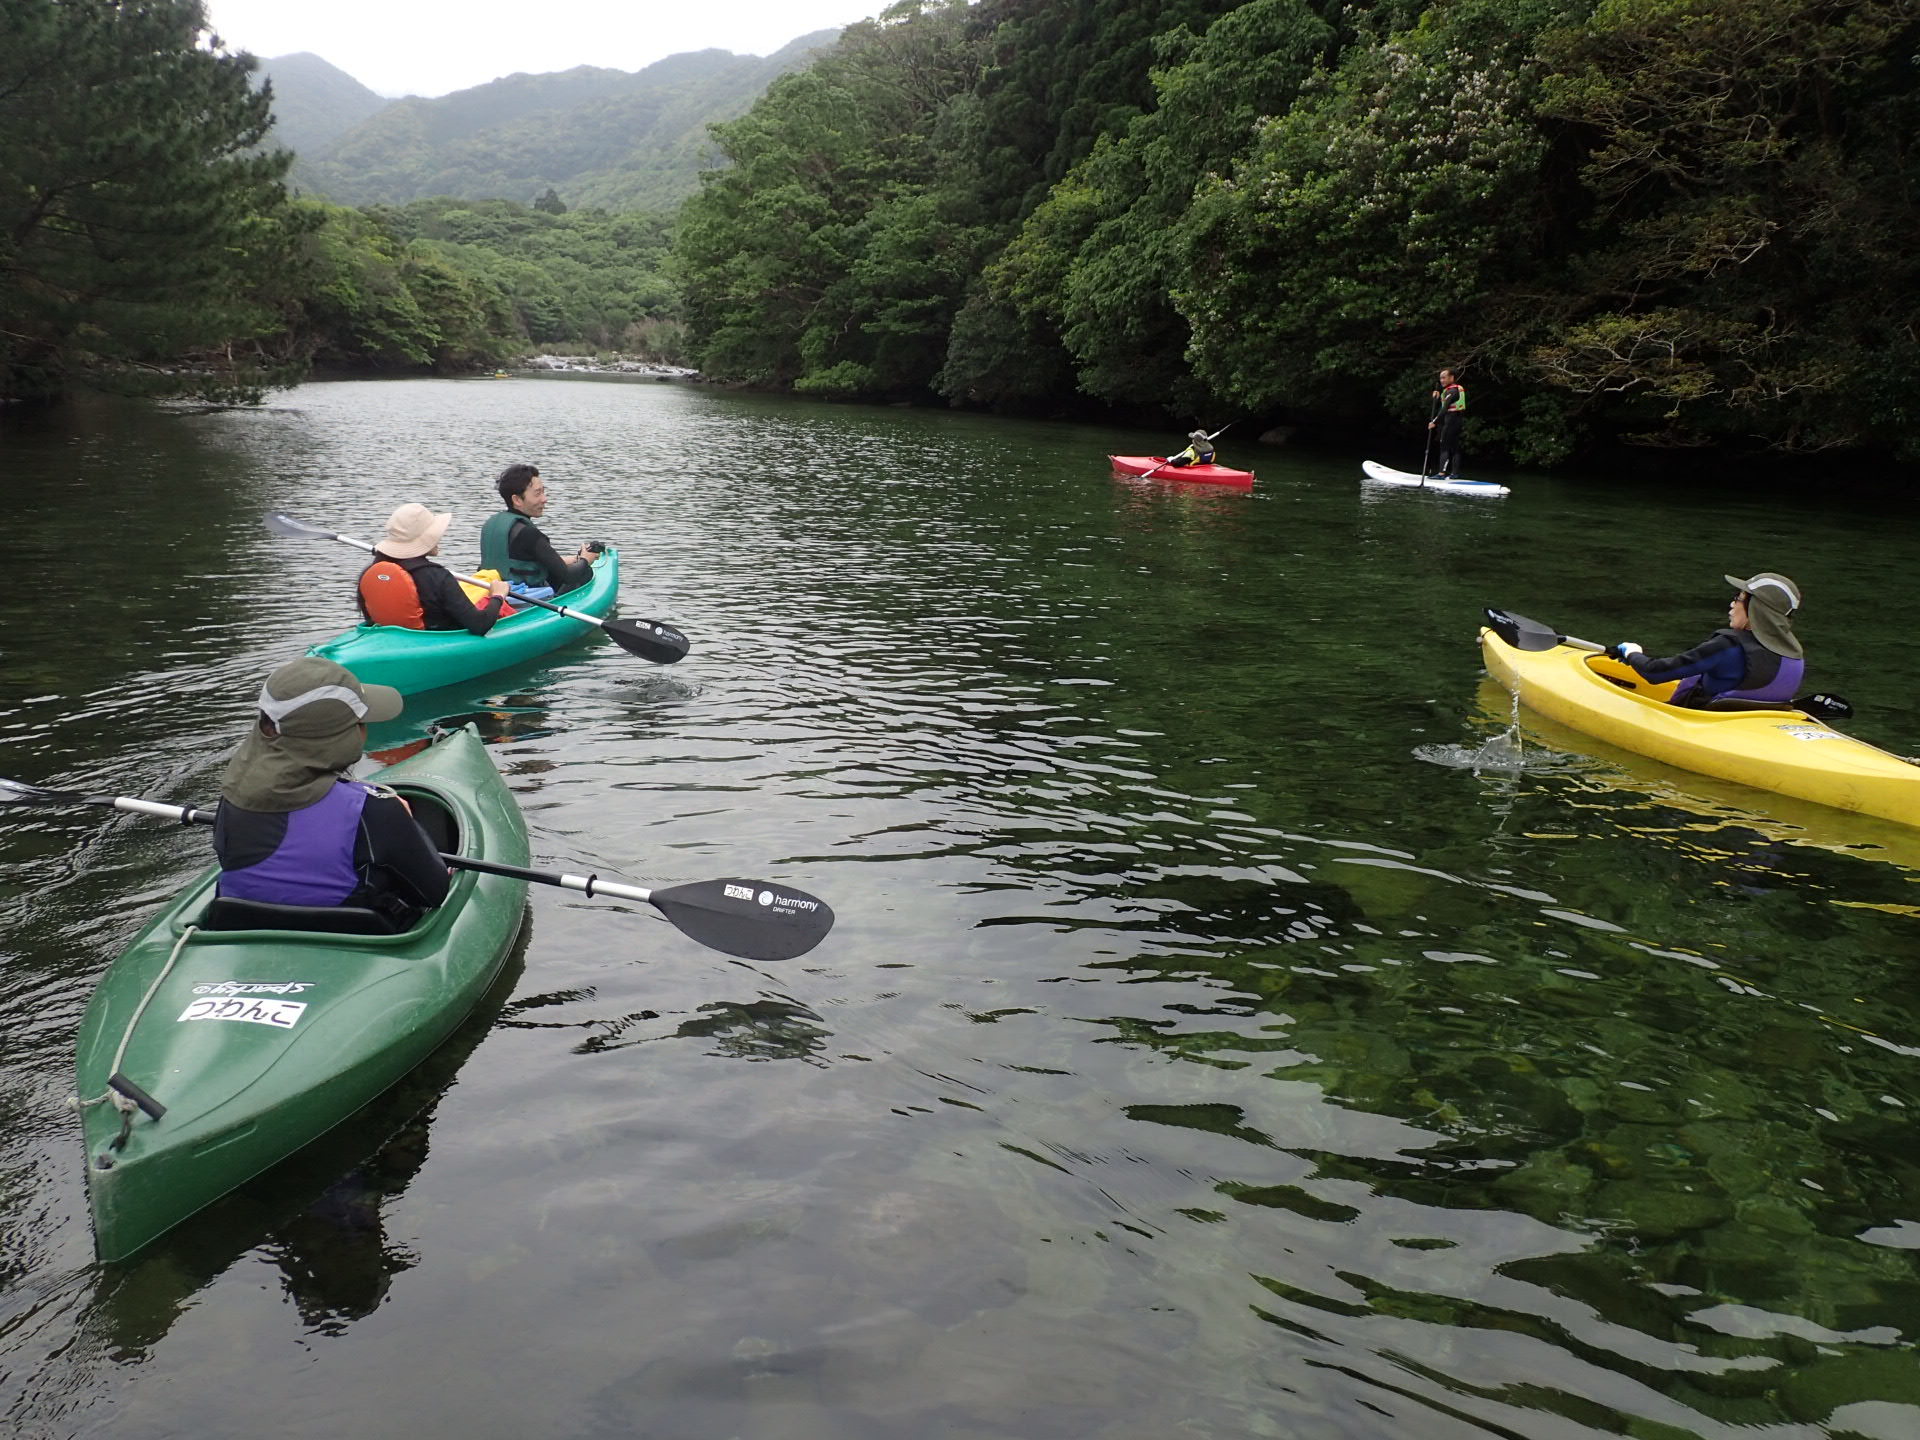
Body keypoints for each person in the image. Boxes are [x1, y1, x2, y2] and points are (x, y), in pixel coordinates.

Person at [212, 657, 450, 932]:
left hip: (242, 926)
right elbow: (433, 892)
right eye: (359, 723)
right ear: (341, 737)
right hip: (358, 939)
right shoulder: (374, 810)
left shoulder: (234, 794)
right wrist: (404, 821)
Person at [1606, 572, 1806, 705]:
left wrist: (1632, 653)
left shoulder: (1728, 646)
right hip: (1755, 725)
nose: (1731, 604)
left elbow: (1655, 673)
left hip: (1706, 724)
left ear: (1756, 609)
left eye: (1738, 598)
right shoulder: (1795, 654)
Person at [357, 503, 511, 635]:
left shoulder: (370, 573)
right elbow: (480, 625)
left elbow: (370, 621)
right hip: (437, 643)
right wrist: (497, 596)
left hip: (390, 639)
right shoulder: (437, 577)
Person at [479, 464, 602, 599]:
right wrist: (585, 561)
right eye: (538, 494)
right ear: (517, 500)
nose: (544, 499)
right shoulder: (528, 534)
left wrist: (575, 559)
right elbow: (567, 576)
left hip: (493, 594)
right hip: (526, 601)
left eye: (543, 492)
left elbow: (515, 562)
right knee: (585, 574)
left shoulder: (490, 525)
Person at [1428, 368, 1467, 478]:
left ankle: (1441, 473)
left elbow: (1444, 408)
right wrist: (1437, 395)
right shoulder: (1452, 389)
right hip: (1457, 420)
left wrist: (1434, 422)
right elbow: (1444, 403)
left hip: (1451, 420)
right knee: (1454, 447)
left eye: (1444, 377)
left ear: (1451, 377)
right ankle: (1455, 474)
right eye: (1440, 378)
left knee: (1444, 446)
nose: (1442, 380)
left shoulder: (1453, 391)